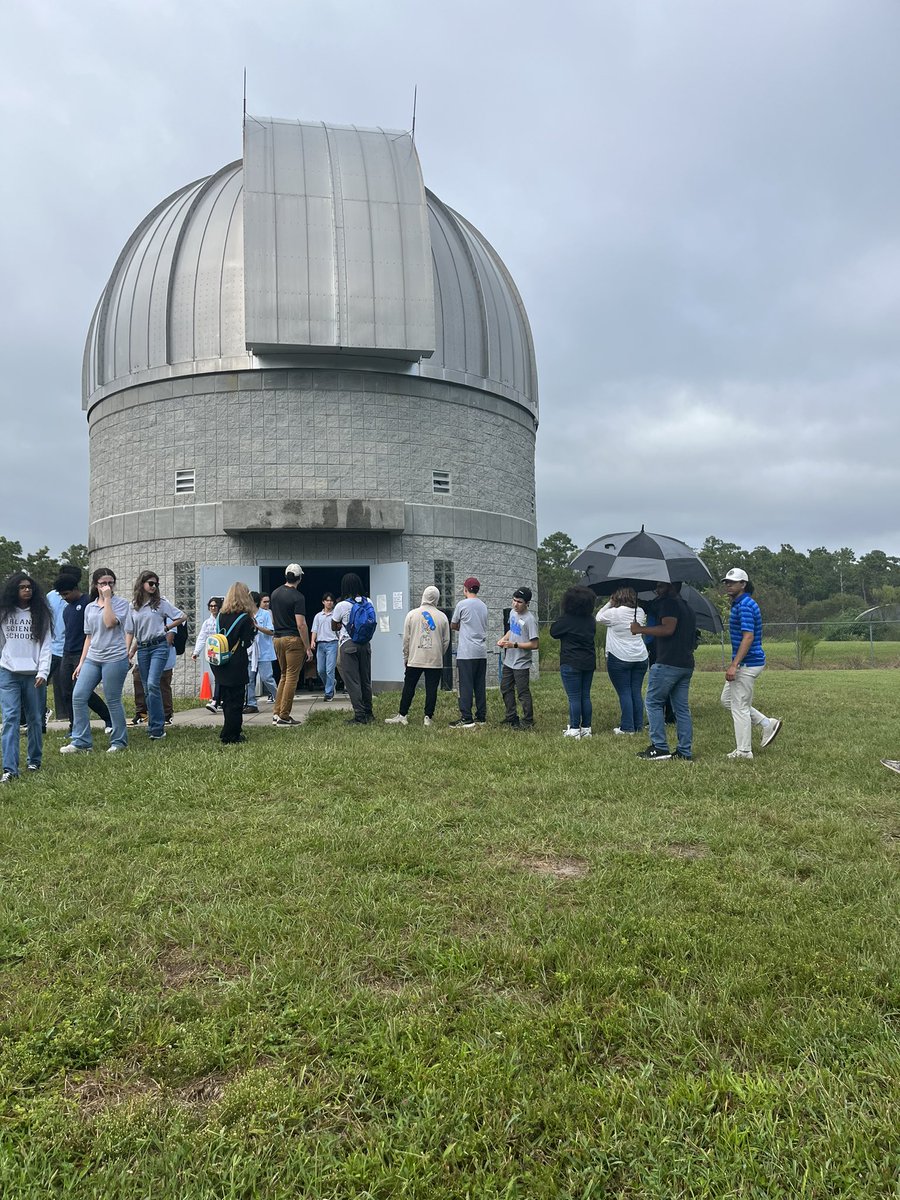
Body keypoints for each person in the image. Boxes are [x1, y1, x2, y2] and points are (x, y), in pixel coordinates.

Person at [61, 567, 130, 755]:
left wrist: (107, 599)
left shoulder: (121, 604)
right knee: (79, 695)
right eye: (103, 583)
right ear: (95, 585)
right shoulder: (90, 607)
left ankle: (119, 741)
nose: (107, 586)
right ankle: (81, 741)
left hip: (115, 657)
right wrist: (82, 662)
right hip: (93, 657)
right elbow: (89, 637)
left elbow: (109, 623)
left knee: (113, 699)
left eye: (110, 583)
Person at [720, 567, 782, 760]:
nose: (729, 585)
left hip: (747, 663)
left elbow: (748, 637)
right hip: (747, 662)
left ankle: (744, 751)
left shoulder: (745, 605)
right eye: (727, 582)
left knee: (740, 707)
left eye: (733, 582)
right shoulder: (740, 604)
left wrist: (734, 664)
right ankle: (766, 723)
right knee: (727, 700)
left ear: (743, 584)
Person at [631, 581, 696, 761]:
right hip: (685, 663)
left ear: (672, 587)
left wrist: (640, 630)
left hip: (667, 662)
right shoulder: (686, 607)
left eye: (660, 586)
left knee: (653, 702)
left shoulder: (669, 603)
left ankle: (659, 747)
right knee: (681, 709)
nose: (657, 590)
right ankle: (684, 751)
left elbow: (668, 628)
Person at [0, 572, 52, 782]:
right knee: (10, 718)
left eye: (29, 587)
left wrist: (43, 671)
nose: (26, 590)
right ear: (14, 589)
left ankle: (34, 760)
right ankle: (10, 769)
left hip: (33, 674)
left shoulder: (41, 613)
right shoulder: (4, 613)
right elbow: (2, 643)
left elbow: (46, 645)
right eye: (22, 587)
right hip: (8, 672)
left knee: (34, 719)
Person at [126, 571, 185, 742]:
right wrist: (129, 652)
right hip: (143, 648)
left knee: (153, 684)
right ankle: (152, 725)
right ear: (142, 583)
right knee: (147, 688)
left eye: (156, 584)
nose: (153, 586)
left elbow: (182, 616)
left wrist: (166, 629)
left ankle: (158, 728)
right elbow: (132, 632)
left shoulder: (161, 604)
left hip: (159, 646)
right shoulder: (133, 606)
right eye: (151, 583)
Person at [385, 586, 451, 727]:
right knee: (431, 689)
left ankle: (403, 715)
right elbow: (446, 641)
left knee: (409, 686)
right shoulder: (442, 617)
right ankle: (428, 717)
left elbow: (406, 639)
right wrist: (439, 652)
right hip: (434, 659)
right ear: (437, 598)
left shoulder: (412, 614)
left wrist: (406, 656)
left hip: (415, 658)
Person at [209, 582, 258, 745]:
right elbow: (247, 642)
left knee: (227, 700)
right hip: (236, 662)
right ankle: (232, 734)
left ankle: (228, 730)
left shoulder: (221, 615)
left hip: (220, 661)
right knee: (237, 700)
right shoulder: (245, 618)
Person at [596, 587, 649, 735]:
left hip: (620, 657)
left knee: (624, 692)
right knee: (636, 692)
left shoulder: (614, 613)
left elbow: (598, 617)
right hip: (640, 656)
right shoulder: (640, 611)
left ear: (617, 597)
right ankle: (638, 725)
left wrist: (609, 603)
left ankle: (627, 727)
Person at [550, 585, 597, 738]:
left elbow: (554, 632)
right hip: (588, 661)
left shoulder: (566, 619)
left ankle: (575, 728)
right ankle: (586, 728)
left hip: (570, 661)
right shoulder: (591, 620)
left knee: (574, 697)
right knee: (585, 695)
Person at [270, 564, 311, 727]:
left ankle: (276, 712)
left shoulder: (275, 593)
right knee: (292, 677)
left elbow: (273, 619)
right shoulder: (298, 597)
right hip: (293, 639)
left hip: (277, 638)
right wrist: (307, 646)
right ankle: (284, 716)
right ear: (300, 578)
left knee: (284, 676)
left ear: (286, 575)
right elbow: (301, 624)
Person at [332, 573, 374, 725]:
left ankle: (359, 715)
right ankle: (369, 712)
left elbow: (334, 625)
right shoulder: (368, 601)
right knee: (365, 680)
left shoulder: (341, 605)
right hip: (365, 644)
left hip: (348, 644)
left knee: (353, 681)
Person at [497, 586, 539, 729]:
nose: (515, 604)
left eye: (519, 602)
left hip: (521, 663)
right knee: (505, 688)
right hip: (509, 660)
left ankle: (528, 721)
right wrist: (503, 639)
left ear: (527, 603)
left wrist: (514, 645)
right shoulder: (513, 614)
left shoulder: (530, 620)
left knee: (522, 692)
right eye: (514, 600)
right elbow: (511, 630)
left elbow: (534, 644)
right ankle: (511, 717)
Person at [449, 576, 488, 729]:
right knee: (479, 684)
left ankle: (466, 718)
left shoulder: (462, 604)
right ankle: (481, 716)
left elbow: (453, 624)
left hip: (466, 652)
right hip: (481, 651)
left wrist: (463, 627)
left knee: (465, 685)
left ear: (465, 589)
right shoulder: (483, 606)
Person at [192, 597, 223, 714]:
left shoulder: (223, 619)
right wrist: (196, 652)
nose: (213, 608)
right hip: (212, 653)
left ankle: (216, 700)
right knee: (218, 676)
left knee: (220, 676)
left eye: (215, 606)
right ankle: (219, 700)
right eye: (211, 606)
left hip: (223, 652)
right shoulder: (207, 622)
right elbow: (202, 637)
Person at [310, 592, 338, 701]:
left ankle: (329, 693)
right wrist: (312, 641)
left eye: (331, 600)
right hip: (321, 644)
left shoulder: (336, 614)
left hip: (333, 643)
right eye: (327, 600)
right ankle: (331, 683)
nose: (329, 602)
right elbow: (314, 630)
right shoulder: (318, 616)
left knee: (330, 669)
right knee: (320, 670)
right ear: (323, 602)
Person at [251, 591, 277, 704]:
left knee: (267, 678)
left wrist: (257, 627)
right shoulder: (246, 615)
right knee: (249, 679)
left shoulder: (266, 614)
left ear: (255, 602)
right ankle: (251, 703)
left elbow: (271, 631)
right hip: (250, 652)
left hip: (264, 651)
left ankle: (278, 696)